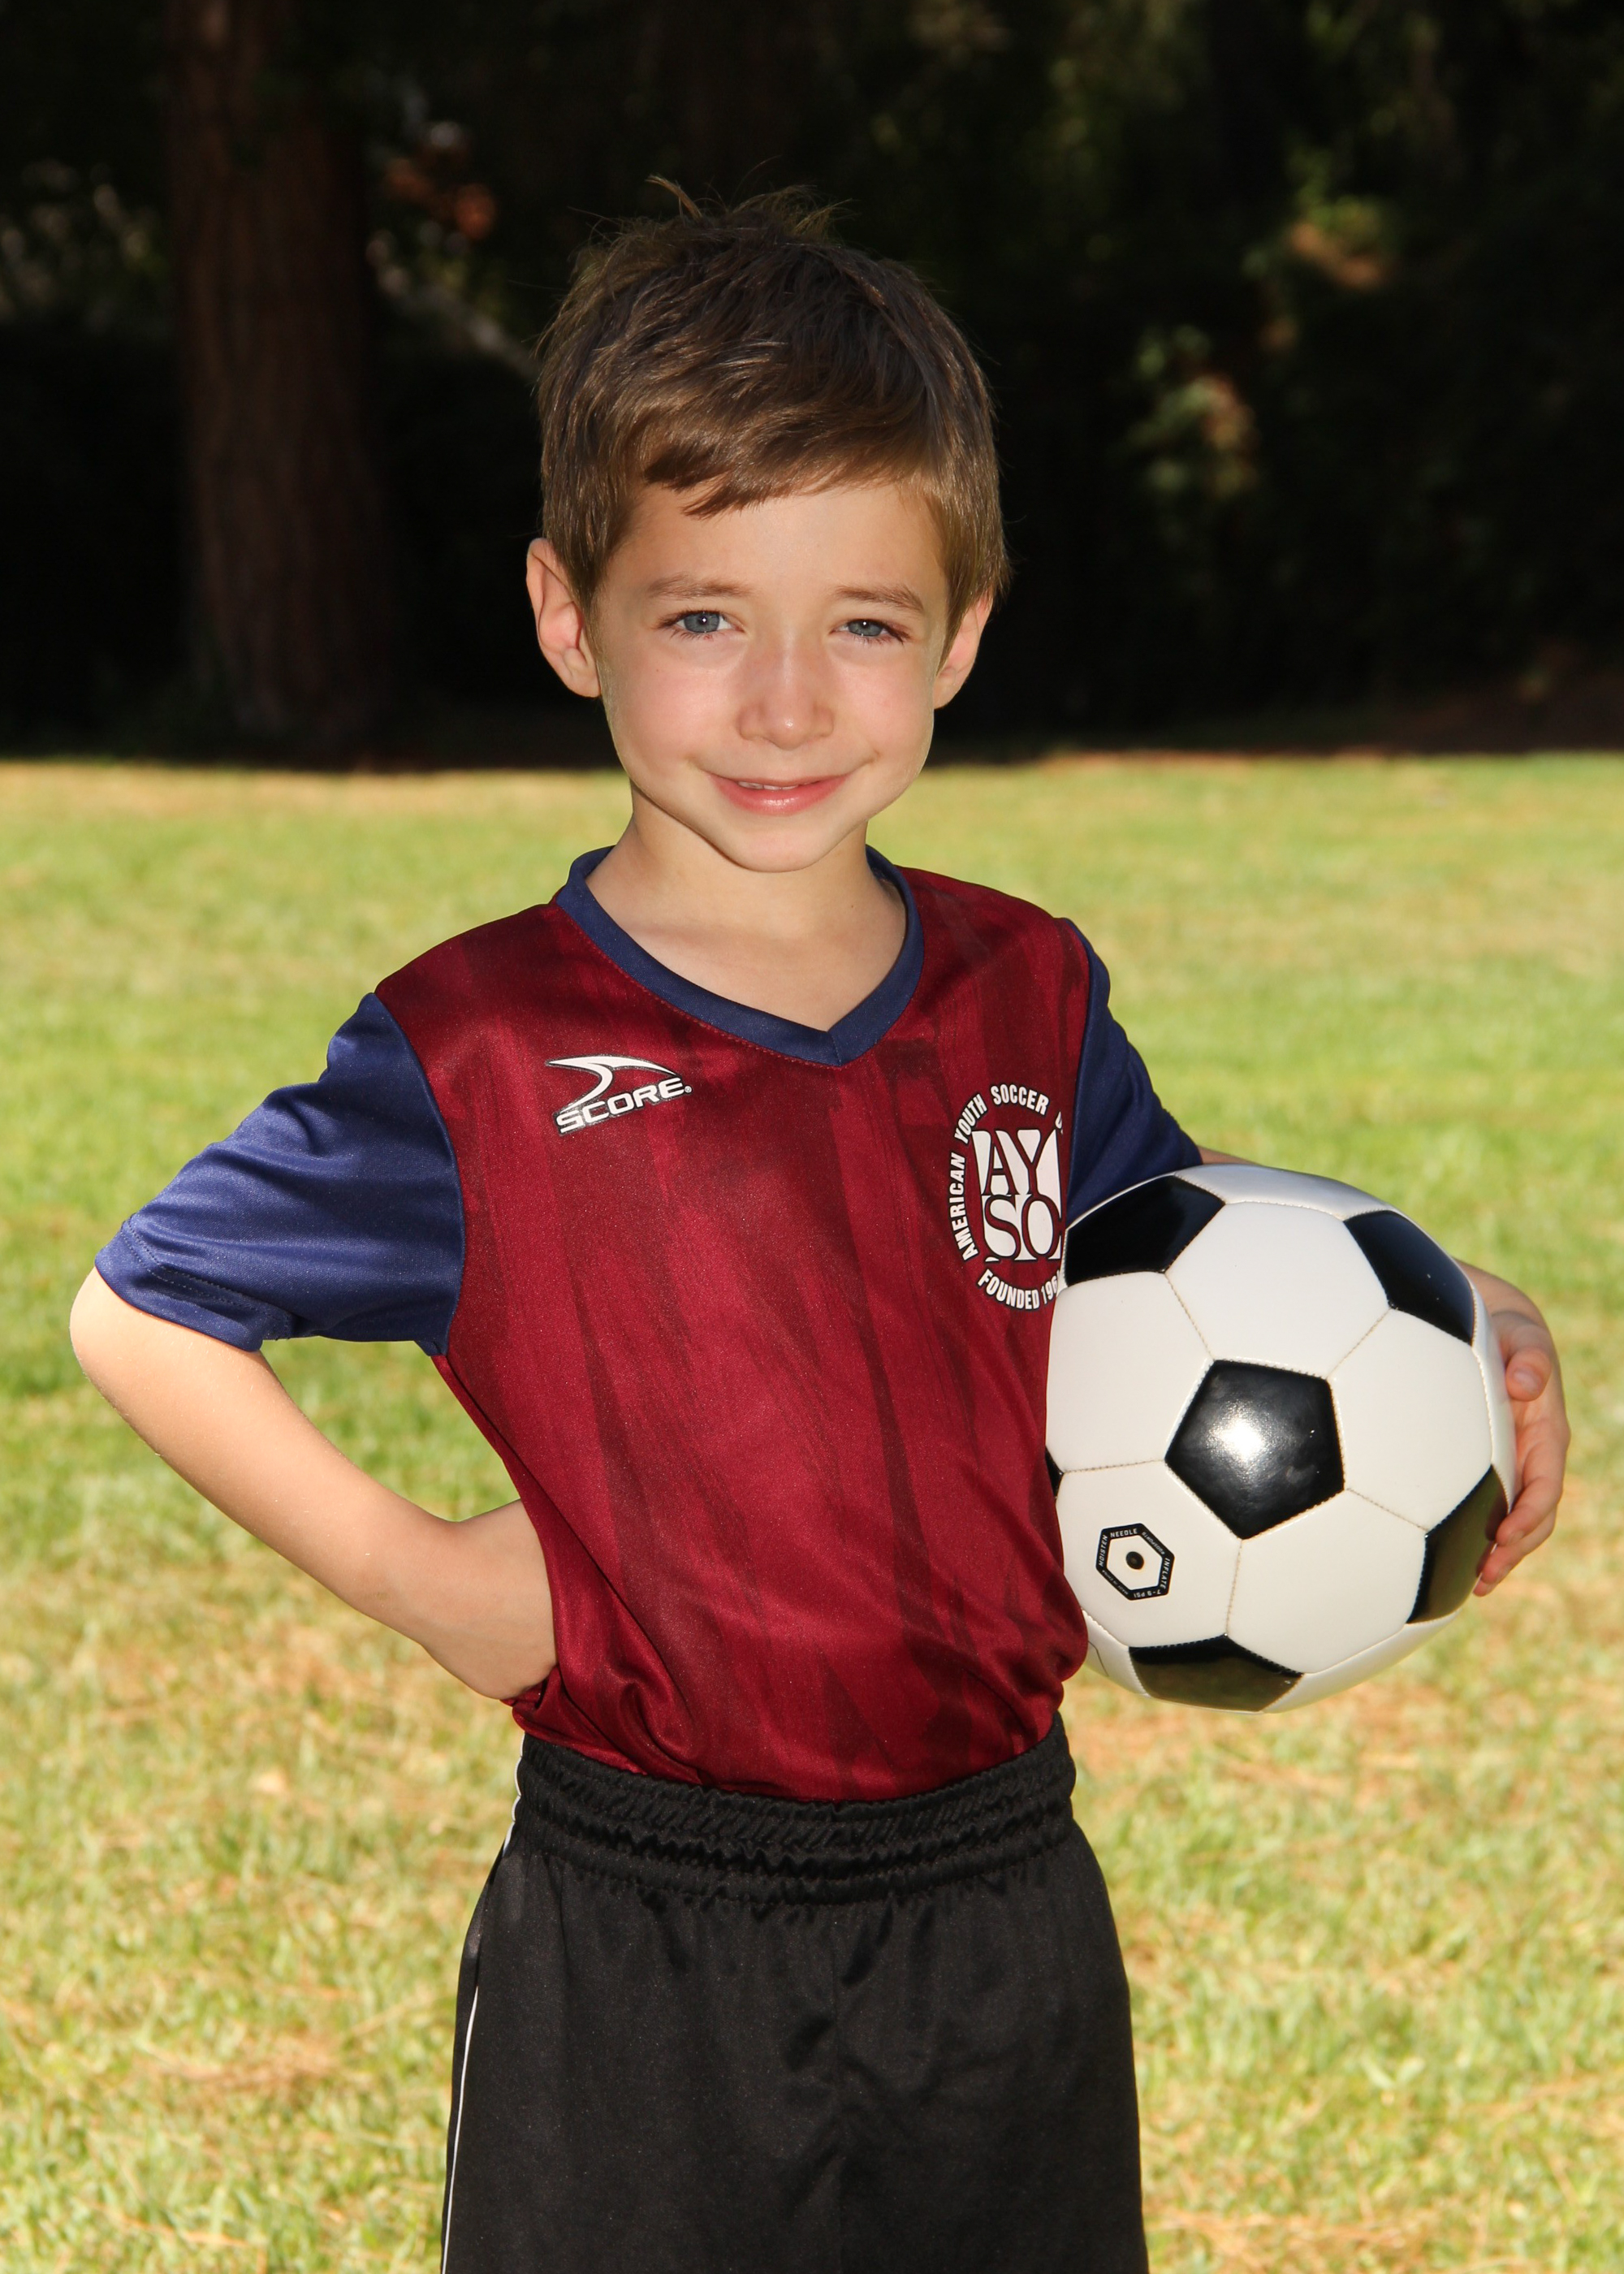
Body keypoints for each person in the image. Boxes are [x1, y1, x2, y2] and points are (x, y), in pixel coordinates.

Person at [70, 193, 1569, 2274]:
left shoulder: (1024, 992)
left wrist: (1457, 1306)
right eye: (702, 618)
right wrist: (429, 1583)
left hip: (999, 1902)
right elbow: (143, 1311)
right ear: (568, 616)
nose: (784, 700)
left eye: (862, 622)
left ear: (958, 636)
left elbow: (1181, 1246)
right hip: (640, 1922)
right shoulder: (479, 1046)